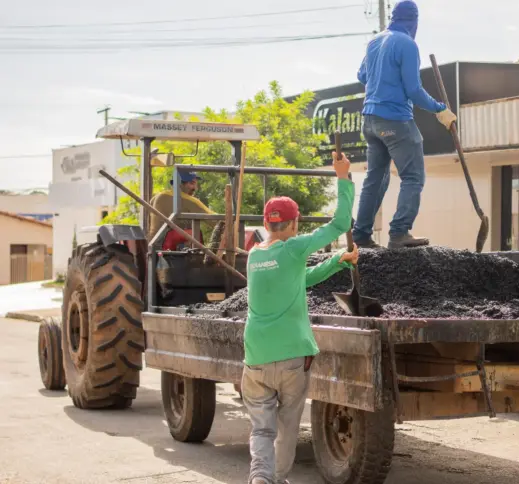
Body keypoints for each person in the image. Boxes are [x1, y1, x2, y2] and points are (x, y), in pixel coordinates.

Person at [242, 151, 358, 484]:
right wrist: (343, 177)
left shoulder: (254, 256)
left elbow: (301, 280)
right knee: (287, 425)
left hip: (256, 358)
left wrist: (338, 260)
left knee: (262, 428)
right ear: (294, 224)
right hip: (292, 356)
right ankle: (275, 478)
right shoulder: (293, 248)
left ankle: (261, 479)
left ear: (266, 224)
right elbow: (339, 224)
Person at [352, 0, 457, 249]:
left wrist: (382, 77)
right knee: (413, 176)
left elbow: (362, 76)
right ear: (414, 22)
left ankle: (361, 235)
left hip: (370, 120)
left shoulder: (375, 42)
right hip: (395, 119)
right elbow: (413, 89)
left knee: (375, 178)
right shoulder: (407, 44)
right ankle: (399, 232)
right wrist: (440, 109)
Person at [147, 169, 216, 250]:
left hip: (152, 247)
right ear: (180, 184)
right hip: (170, 251)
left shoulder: (156, 198)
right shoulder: (190, 200)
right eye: (192, 183)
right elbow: (215, 221)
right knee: (195, 233)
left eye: (195, 184)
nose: (195, 188)